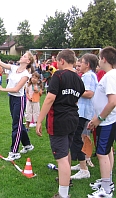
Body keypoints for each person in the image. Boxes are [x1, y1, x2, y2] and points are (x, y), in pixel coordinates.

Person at [36, 49, 85, 198]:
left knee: (61, 157)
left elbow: (50, 98)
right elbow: (76, 99)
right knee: (66, 150)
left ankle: (63, 194)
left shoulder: (59, 75)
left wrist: (39, 120)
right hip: (73, 118)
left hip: (58, 119)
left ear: (62, 61)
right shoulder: (78, 79)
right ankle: (66, 179)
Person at [0, 43, 34, 161]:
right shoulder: (14, 68)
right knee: (18, 122)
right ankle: (27, 145)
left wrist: (2, 89)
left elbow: (17, 89)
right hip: (12, 98)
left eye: (25, 56)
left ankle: (14, 152)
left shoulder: (26, 74)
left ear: (28, 61)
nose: (22, 56)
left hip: (19, 99)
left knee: (16, 126)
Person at [87, 47, 116, 198]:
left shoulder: (110, 76)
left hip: (107, 122)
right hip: (105, 120)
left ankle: (106, 190)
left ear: (104, 59)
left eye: (99, 58)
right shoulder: (109, 75)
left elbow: (112, 102)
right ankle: (107, 180)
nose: (98, 60)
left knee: (102, 153)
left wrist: (99, 119)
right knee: (107, 150)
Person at [70, 53, 98, 180]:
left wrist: (74, 92)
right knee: (78, 138)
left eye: (81, 62)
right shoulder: (87, 75)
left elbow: (89, 93)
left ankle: (84, 169)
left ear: (87, 64)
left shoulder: (89, 76)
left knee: (76, 138)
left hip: (83, 112)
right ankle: (80, 164)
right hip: (82, 111)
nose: (78, 64)